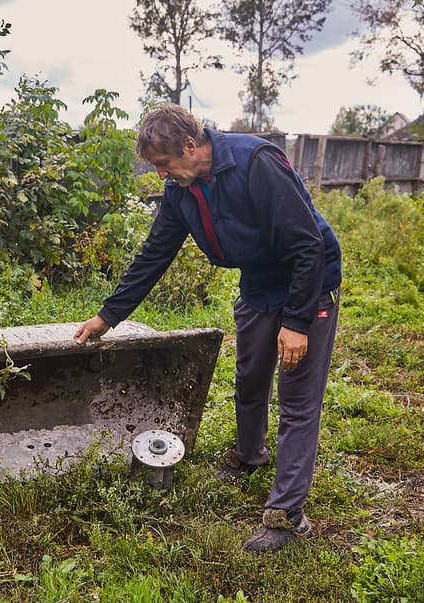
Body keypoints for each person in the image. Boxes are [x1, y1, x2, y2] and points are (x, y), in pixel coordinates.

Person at [74, 104, 342, 554]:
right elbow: (154, 254)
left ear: (191, 146)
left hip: (308, 283)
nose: (161, 174)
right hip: (259, 285)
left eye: (164, 163)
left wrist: (297, 323)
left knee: (297, 398)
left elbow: (305, 243)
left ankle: (286, 515)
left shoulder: (257, 163)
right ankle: (249, 455)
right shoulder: (182, 191)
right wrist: (108, 316)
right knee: (251, 378)